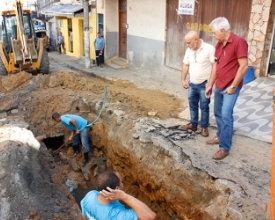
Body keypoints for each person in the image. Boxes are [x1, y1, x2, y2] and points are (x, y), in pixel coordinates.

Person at [205, 17, 248, 160]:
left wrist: (234, 86)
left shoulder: (238, 42)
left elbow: (244, 66)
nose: (213, 35)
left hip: (230, 87)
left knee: (226, 116)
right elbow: (216, 66)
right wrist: (210, 84)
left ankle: (224, 148)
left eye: (214, 32)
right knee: (217, 113)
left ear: (222, 30)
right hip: (220, 85)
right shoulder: (219, 44)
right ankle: (219, 136)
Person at [80, 170, 156, 220]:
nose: (122, 183)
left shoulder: (90, 195)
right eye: (121, 182)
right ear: (117, 188)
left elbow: (84, 216)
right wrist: (124, 196)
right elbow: (151, 216)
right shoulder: (116, 215)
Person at [180, 31, 215, 137]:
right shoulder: (189, 50)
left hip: (205, 84)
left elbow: (215, 66)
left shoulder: (209, 49)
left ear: (196, 39)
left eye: (189, 42)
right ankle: (193, 124)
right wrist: (183, 79)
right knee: (192, 104)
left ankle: (204, 127)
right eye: (186, 43)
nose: (187, 45)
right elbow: (186, 65)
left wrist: (211, 83)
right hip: (192, 83)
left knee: (204, 106)